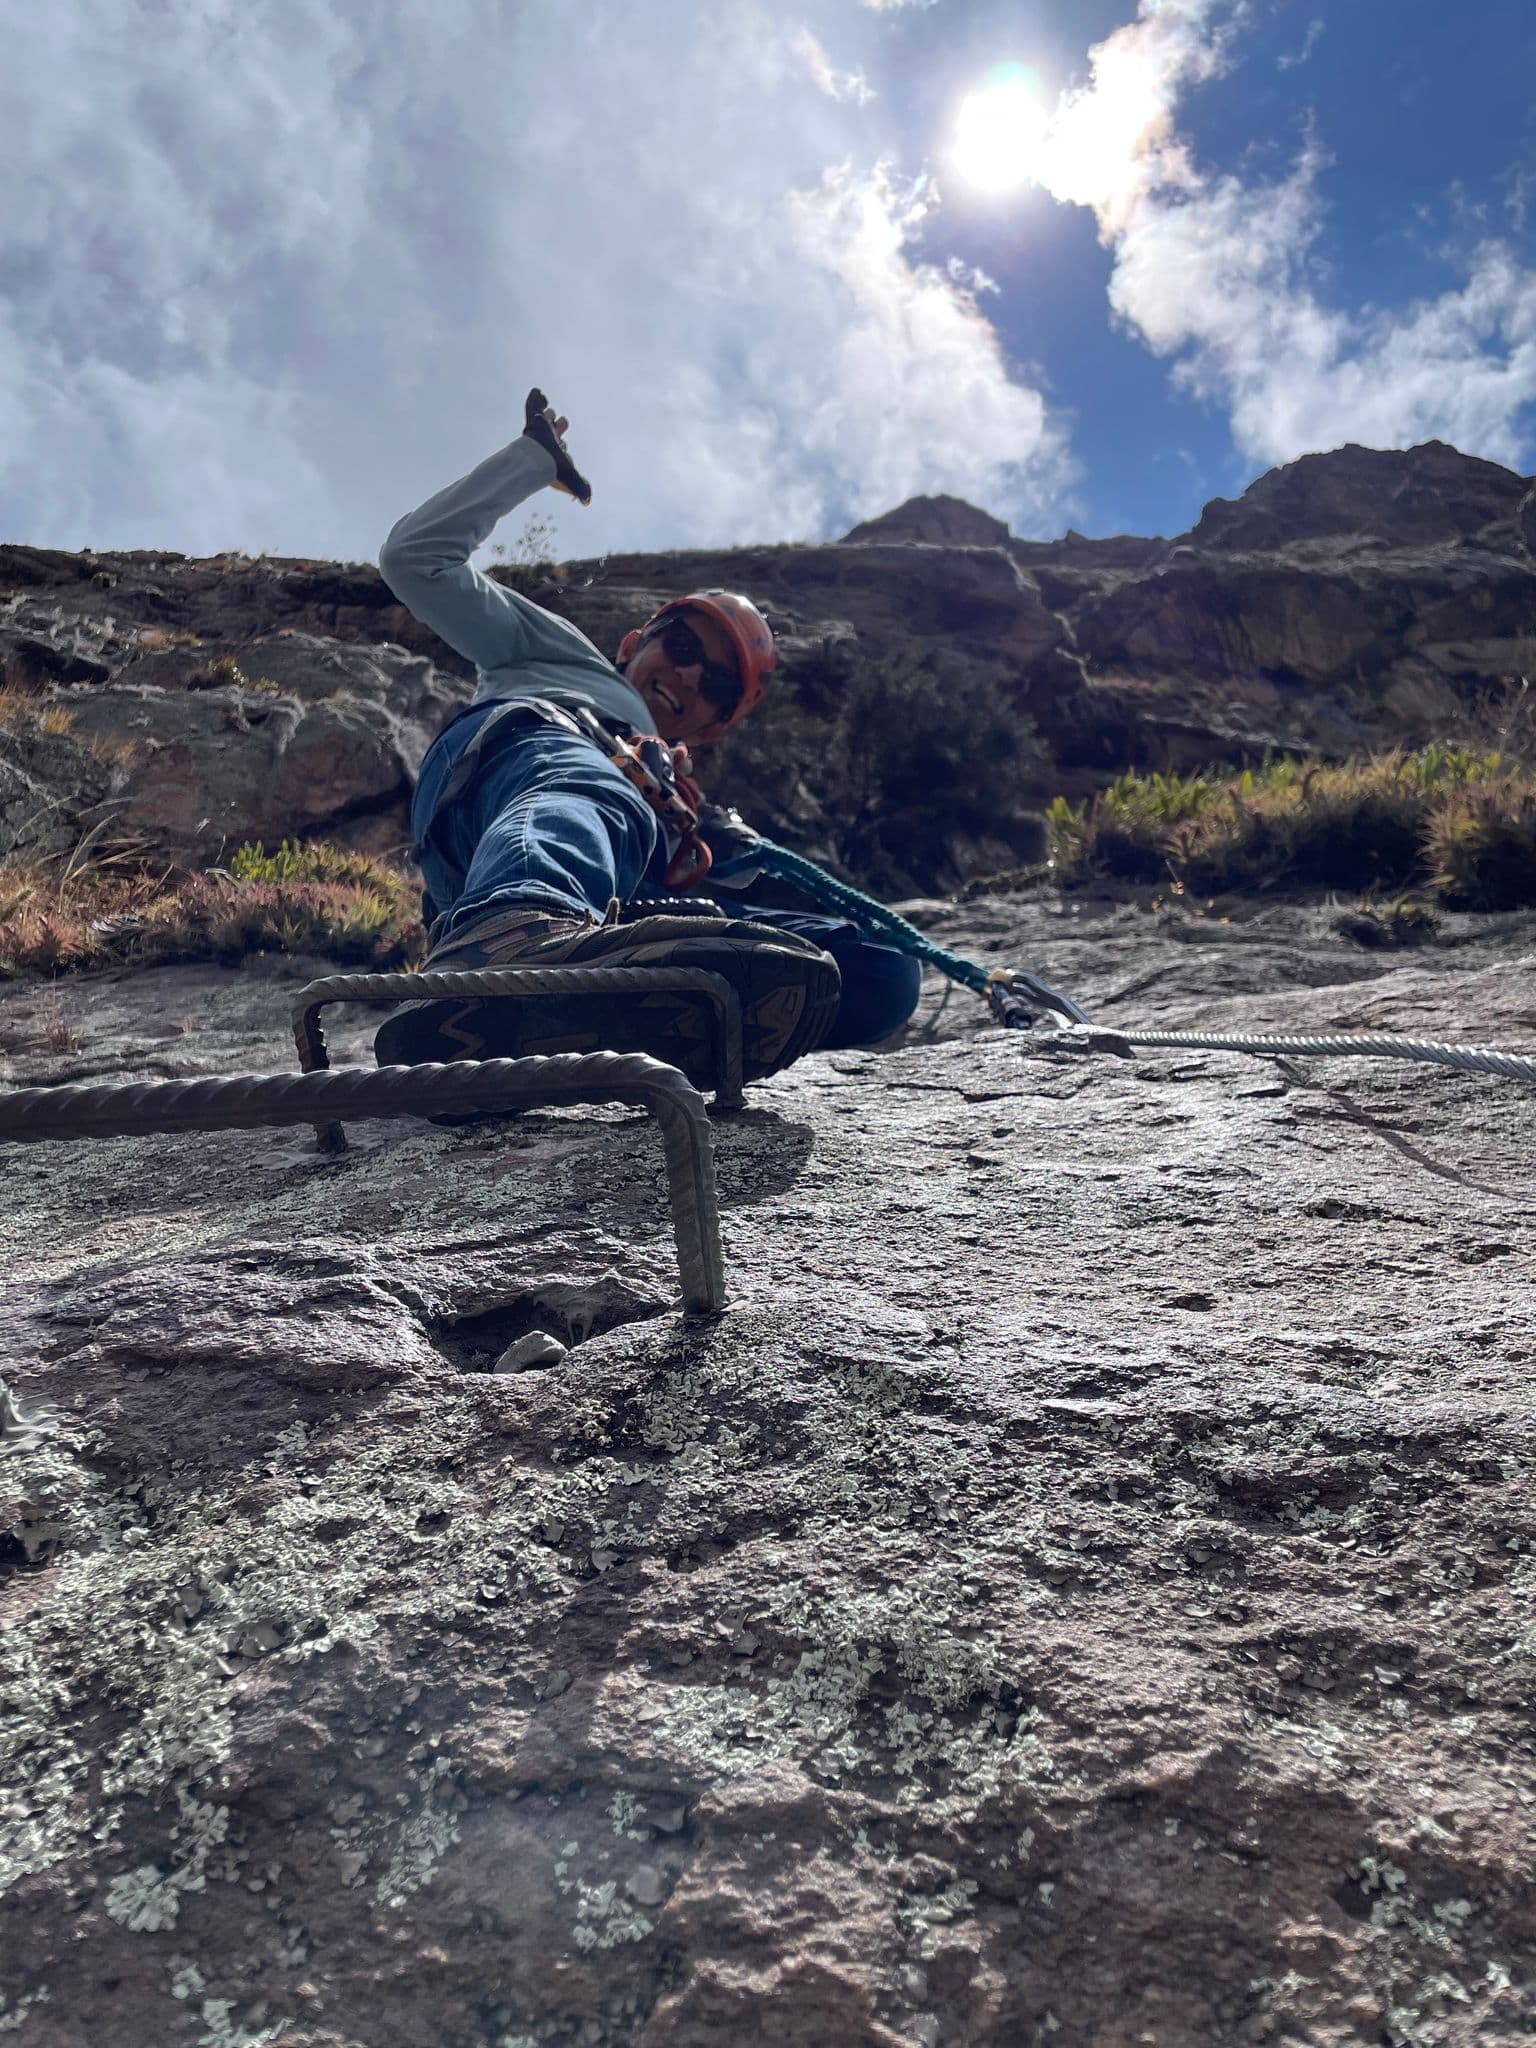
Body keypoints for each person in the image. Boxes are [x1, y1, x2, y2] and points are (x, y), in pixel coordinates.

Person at [372, 388, 921, 1090]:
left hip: (616, 902)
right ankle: (508, 935)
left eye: (717, 685)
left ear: (716, 724)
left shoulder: (687, 816)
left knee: (875, 969)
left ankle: (593, 1011)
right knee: (599, 785)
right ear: (637, 641)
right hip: (512, 777)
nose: (690, 674)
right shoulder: (558, 658)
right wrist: (533, 460)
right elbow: (414, 559)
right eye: (684, 644)